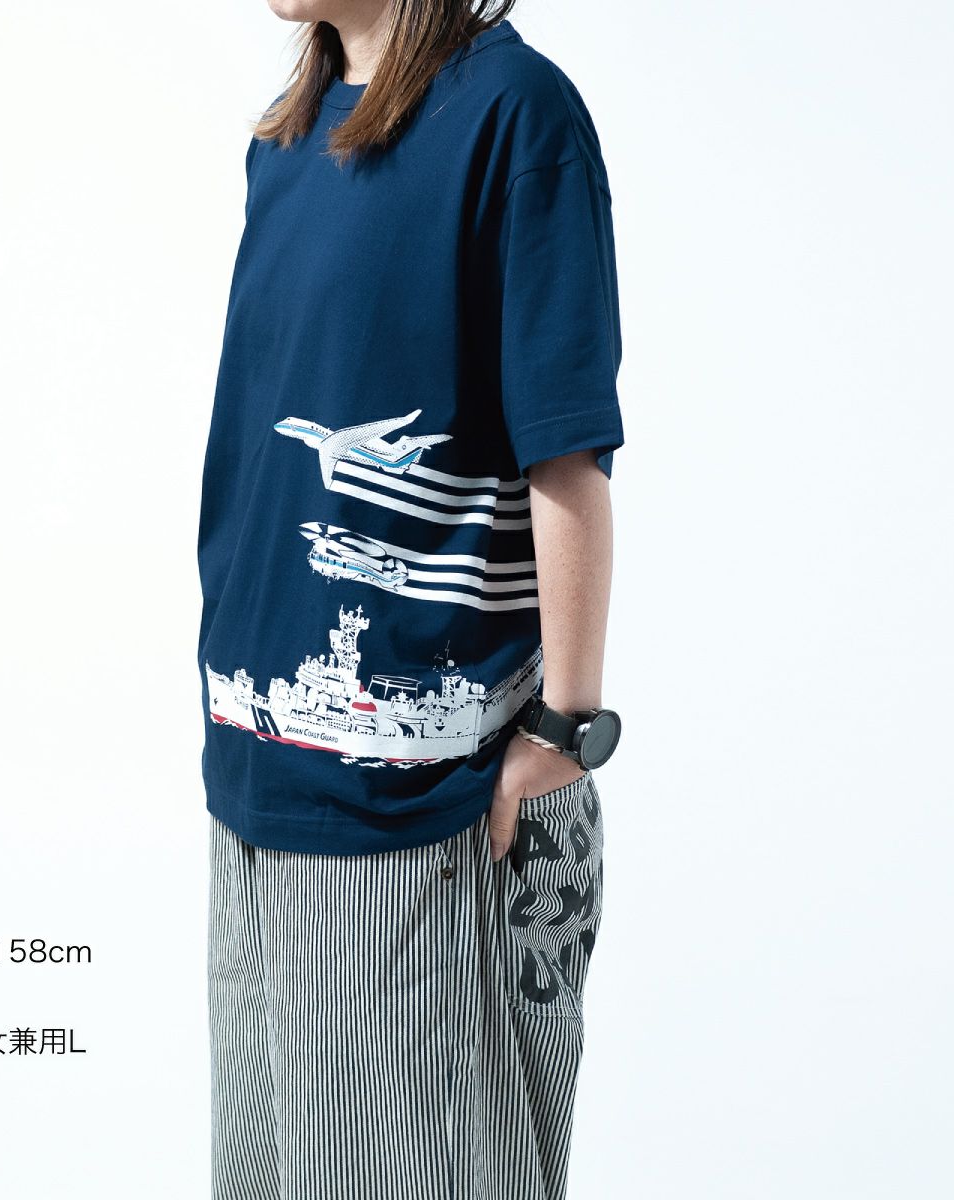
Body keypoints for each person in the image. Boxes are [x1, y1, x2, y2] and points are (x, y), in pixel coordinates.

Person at [196, 2, 624, 1196]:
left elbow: (567, 452)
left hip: (422, 805)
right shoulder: (286, 140)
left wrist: (565, 730)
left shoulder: (513, 113)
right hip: (256, 770)